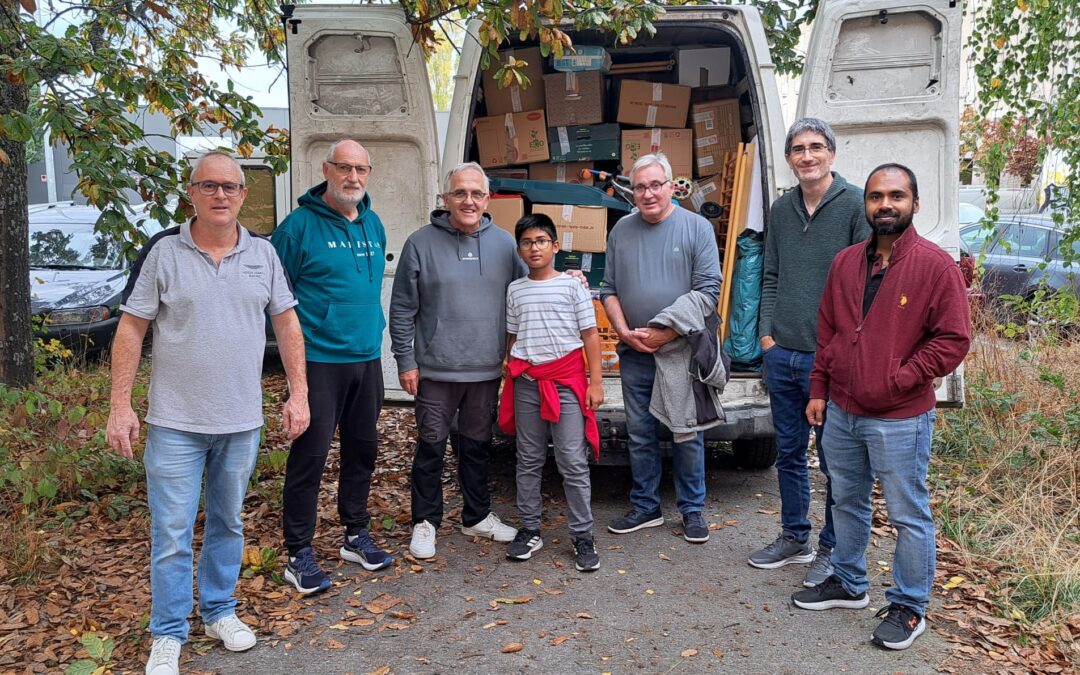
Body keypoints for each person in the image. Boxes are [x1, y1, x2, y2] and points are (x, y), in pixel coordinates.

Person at [106, 152, 310, 675]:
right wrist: (120, 406)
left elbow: (286, 324)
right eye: (209, 185)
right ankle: (168, 632)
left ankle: (219, 610)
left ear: (244, 195)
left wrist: (299, 392)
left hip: (240, 421)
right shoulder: (165, 253)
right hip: (175, 423)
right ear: (191, 193)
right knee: (171, 532)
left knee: (228, 521)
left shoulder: (263, 255)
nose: (221, 195)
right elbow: (131, 328)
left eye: (230, 186)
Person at [791, 164, 971, 651]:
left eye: (896, 196)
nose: (884, 205)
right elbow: (827, 330)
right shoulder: (846, 262)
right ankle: (849, 582)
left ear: (914, 204)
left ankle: (910, 606)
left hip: (900, 416)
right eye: (875, 197)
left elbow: (954, 339)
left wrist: (901, 377)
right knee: (845, 500)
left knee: (907, 513)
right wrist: (819, 387)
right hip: (842, 412)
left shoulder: (935, 267)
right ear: (865, 205)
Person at [748, 118, 871, 587]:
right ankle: (794, 536)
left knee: (837, 460)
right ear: (789, 158)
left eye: (816, 147)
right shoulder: (781, 209)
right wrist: (766, 336)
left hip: (831, 360)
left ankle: (832, 548)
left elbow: (864, 285)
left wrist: (843, 348)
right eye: (798, 149)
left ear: (831, 154)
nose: (807, 156)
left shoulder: (856, 204)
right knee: (790, 454)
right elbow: (771, 276)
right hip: (783, 353)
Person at [271, 139, 394, 595]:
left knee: (362, 450)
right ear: (326, 169)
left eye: (362, 169)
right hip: (319, 361)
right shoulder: (298, 228)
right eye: (345, 168)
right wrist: (293, 380)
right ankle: (298, 552)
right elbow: (275, 302)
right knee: (310, 456)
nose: (354, 178)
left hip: (366, 358)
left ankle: (355, 534)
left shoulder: (373, 223)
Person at [388, 162, 522, 559]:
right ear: (445, 199)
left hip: (485, 369)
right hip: (435, 369)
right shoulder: (420, 243)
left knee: (477, 447)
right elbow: (401, 309)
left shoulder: (504, 244)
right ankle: (425, 522)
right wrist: (405, 360)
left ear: (487, 198)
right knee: (431, 446)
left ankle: (476, 517)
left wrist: (571, 281)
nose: (468, 201)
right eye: (459, 193)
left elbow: (527, 290)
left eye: (476, 194)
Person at [600, 153, 722, 544]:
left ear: (673, 186)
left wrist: (665, 333)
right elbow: (609, 290)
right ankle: (646, 507)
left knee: (686, 431)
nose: (648, 193)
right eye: (640, 186)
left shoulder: (697, 228)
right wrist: (625, 332)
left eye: (656, 184)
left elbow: (708, 293)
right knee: (639, 432)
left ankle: (692, 510)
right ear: (631, 191)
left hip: (680, 351)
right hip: (634, 350)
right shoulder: (621, 230)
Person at [497, 213, 604, 572]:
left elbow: (590, 335)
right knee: (528, 458)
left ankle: (583, 535)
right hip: (527, 381)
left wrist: (596, 382)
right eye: (527, 242)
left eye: (541, 240)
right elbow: (513, 337)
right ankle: (529, 529)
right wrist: (507, 371)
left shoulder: (573, 286)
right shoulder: (516, 289)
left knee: (572, 460)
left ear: (555, 246)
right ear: (519, 250)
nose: (534, 247)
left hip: (566, 383)